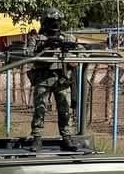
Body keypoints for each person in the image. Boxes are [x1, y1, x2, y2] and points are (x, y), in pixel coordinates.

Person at [25, 8, 82, 152]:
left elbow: (83, 52)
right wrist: (45, 46)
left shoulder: (67, 38)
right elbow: (28, 54)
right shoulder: (36, 38)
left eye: (57, 21)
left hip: (62, 79)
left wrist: (73, 59)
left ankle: (67, 137)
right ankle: (37, 138)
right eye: (52, 21)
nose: (55, 24)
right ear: (45, 22)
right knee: (40, 109)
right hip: (43, 78)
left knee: (65, 110)